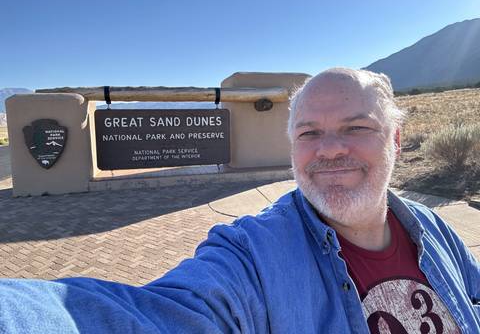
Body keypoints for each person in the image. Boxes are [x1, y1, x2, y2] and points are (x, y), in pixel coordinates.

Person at [0, 68, 479, 333]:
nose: (330, 148)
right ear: (292, 148)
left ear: (395, 142)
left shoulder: (433, 230)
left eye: (356, 128)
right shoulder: (251, 256)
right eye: (309, 133)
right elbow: (156, 317)